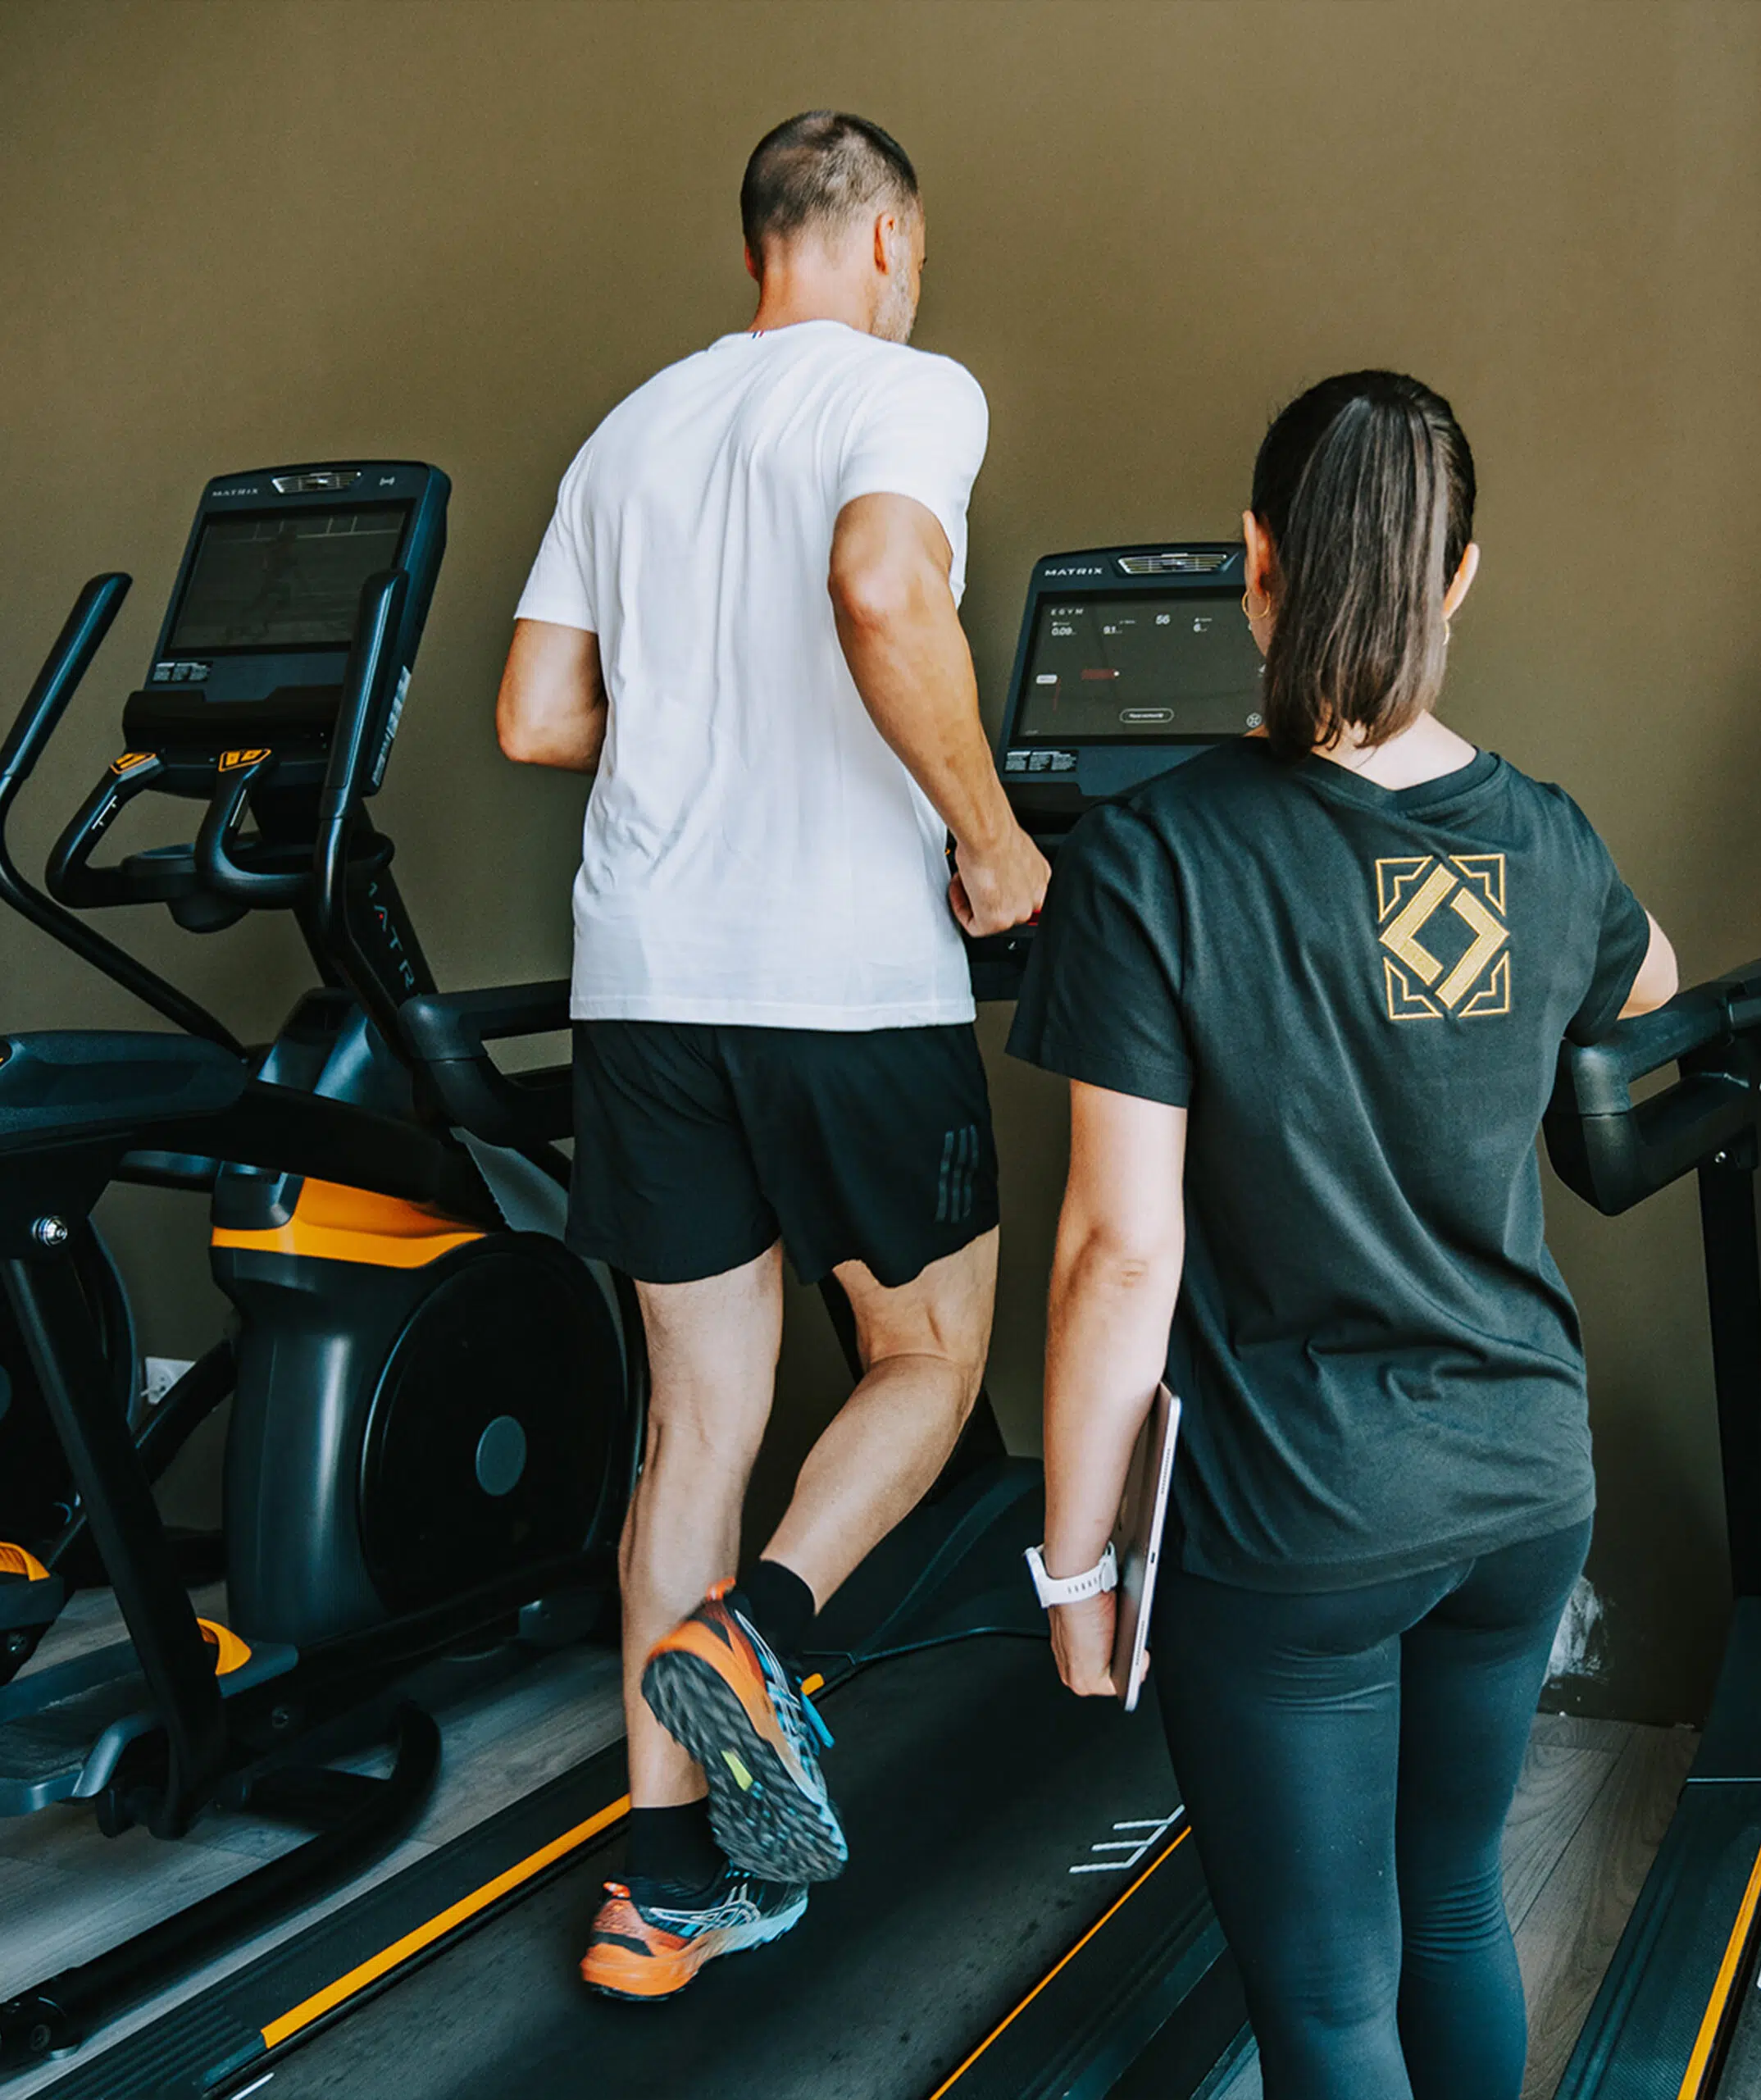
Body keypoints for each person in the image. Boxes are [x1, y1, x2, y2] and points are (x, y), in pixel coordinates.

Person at [1007, 371, 1677, 2099]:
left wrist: (1075, 1560)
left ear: (1253, 562)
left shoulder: (1151, 860)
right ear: (1457, 577)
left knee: (1318, 1996)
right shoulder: (1546, 837)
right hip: (1524, 1479)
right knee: (1452, 1909)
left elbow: (1114, 1258)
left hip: (1295, 1518)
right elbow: (1651, 985)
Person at [497, 108, 1048, 2002]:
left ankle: (654, 1891)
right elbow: (887, 590)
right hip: (842, 981)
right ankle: (769, 1629)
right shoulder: (908, 389)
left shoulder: (632, 425)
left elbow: (533, 710)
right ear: (884, 239)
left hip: (644, 981)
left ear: (762, 247)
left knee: (695, 1427)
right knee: (926, 1352)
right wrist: (986, 842)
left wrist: (700, 729)